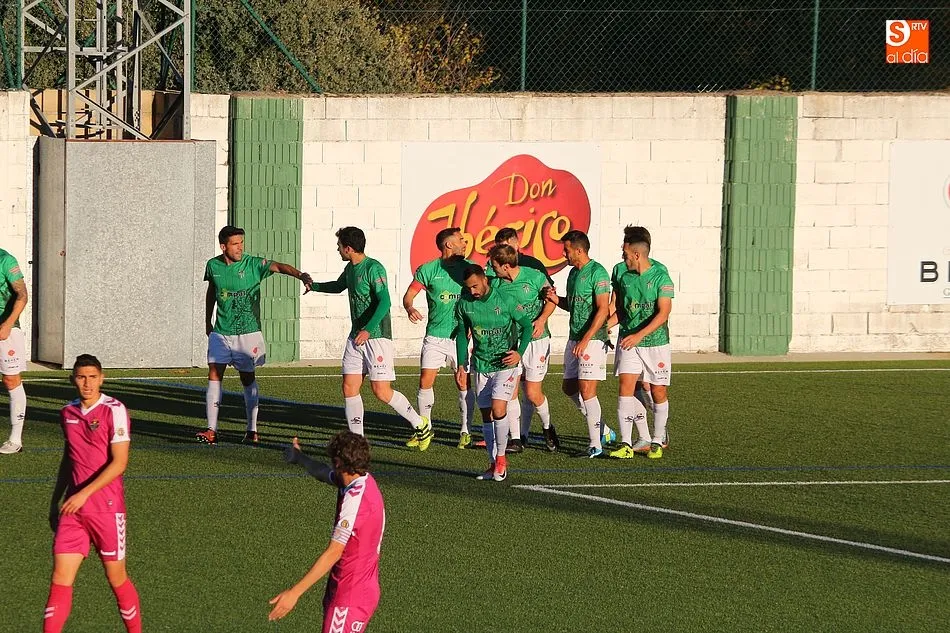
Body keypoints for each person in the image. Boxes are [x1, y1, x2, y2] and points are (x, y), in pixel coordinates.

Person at [308, 227, 433, 448]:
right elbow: (338, 287)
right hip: (356, 338)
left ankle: (419, 424)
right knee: (349, 387)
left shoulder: (374, 268)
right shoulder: (350, 269)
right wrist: (314, 286)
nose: (338, 250)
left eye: (339, 247)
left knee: (381, 391)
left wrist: (368, 329)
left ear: (348, 248)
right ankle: (357, 440)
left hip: (376, 337)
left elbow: (384, 301)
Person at [44, 354, 141, 633]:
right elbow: (69, 458)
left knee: (116, 577)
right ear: (73, 379)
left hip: (107, 509)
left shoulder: (114, 410)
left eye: (92, 377)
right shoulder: (67, 412)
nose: (87, 383)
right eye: (81, 377)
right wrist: (55, 501)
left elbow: (119, 462)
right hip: (73, 511)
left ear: (102, 378)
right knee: (60, 578)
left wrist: (84, 494)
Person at [197, 225, 313, 445]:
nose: (240, 247)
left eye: (241, 242)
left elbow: (279, 266)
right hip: (221, 332)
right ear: (223, 246)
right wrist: (207, 321)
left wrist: (301, 275)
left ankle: (252, 430)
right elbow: (212, 291)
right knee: (214, 374)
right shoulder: (213, 265)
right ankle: (211, 429)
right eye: (235, 244)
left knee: (247, 378)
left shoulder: (253, 264)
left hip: (247, 333)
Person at [270, 432, 385, 631]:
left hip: (350, 595)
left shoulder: (354, 500)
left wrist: (294, 593)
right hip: (352, 586)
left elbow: (334, 551)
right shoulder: (361, 480)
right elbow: (323, 473)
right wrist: (299, 457)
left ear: (339, 462)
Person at [454, 265, 533, 481]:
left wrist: (519, 352)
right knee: (486, 414)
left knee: (499, 409)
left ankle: (501, 459)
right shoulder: (464, 304)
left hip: (505, 364)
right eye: (468, 288)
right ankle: (491, 463)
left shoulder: (506, 299)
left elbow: (527, 326)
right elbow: (462, 334)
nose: (473, 291)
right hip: (481, 364)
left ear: (484, 280)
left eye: (475, 286)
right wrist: (462, 364)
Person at [402, 227, 475, 449]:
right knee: (425, 381)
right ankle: (425, 429)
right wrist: (409, 308)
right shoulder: (428, 269)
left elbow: (480, 297)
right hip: (434, 336)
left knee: (463, 382)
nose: (465, 243)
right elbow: (409, 295)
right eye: (461, 240)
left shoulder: (469, 269)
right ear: (448, 245)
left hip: (460, 337)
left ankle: (466, 430)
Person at [607, 226, 674, 459]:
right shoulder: (623, 275)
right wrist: (606, 325)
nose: (622, 258)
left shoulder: (661, 276)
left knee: (657, 390)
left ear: (637, 254)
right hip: (629, 340)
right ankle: (625, 444)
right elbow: (621, 309)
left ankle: (657, 440)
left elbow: (663, 313)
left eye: (625, 254)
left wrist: (640, 335)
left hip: (656, 343)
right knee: (626, 386)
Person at [544, 230, 612, 458]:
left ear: (579, 250)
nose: (565, 254)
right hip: (576, 338)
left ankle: (596, 445)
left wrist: (586, 339)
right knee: (569, 388)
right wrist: (556, 299)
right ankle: (603, 430)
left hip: (592, 340)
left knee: (587, 390)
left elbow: (603, 308)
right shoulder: (573, 274)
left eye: (567, 250)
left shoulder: (598, 272)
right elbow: (573, 305)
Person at [488, 244, 559, 453]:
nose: (492, 269)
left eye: (495, 266)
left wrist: (542, 319)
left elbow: (551, 300)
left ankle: (547, 428)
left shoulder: (535, 276)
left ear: (506, 266)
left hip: (537, 342)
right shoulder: (497, 285)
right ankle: (517, 439)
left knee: (532, 393)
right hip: (513, 343)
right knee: (510, 391)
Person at [0, 247, 28, 454]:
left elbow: (22, 295)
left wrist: (8, 324)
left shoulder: (6, 261)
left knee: (10, 380)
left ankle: (15, 439)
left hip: (5, 329)